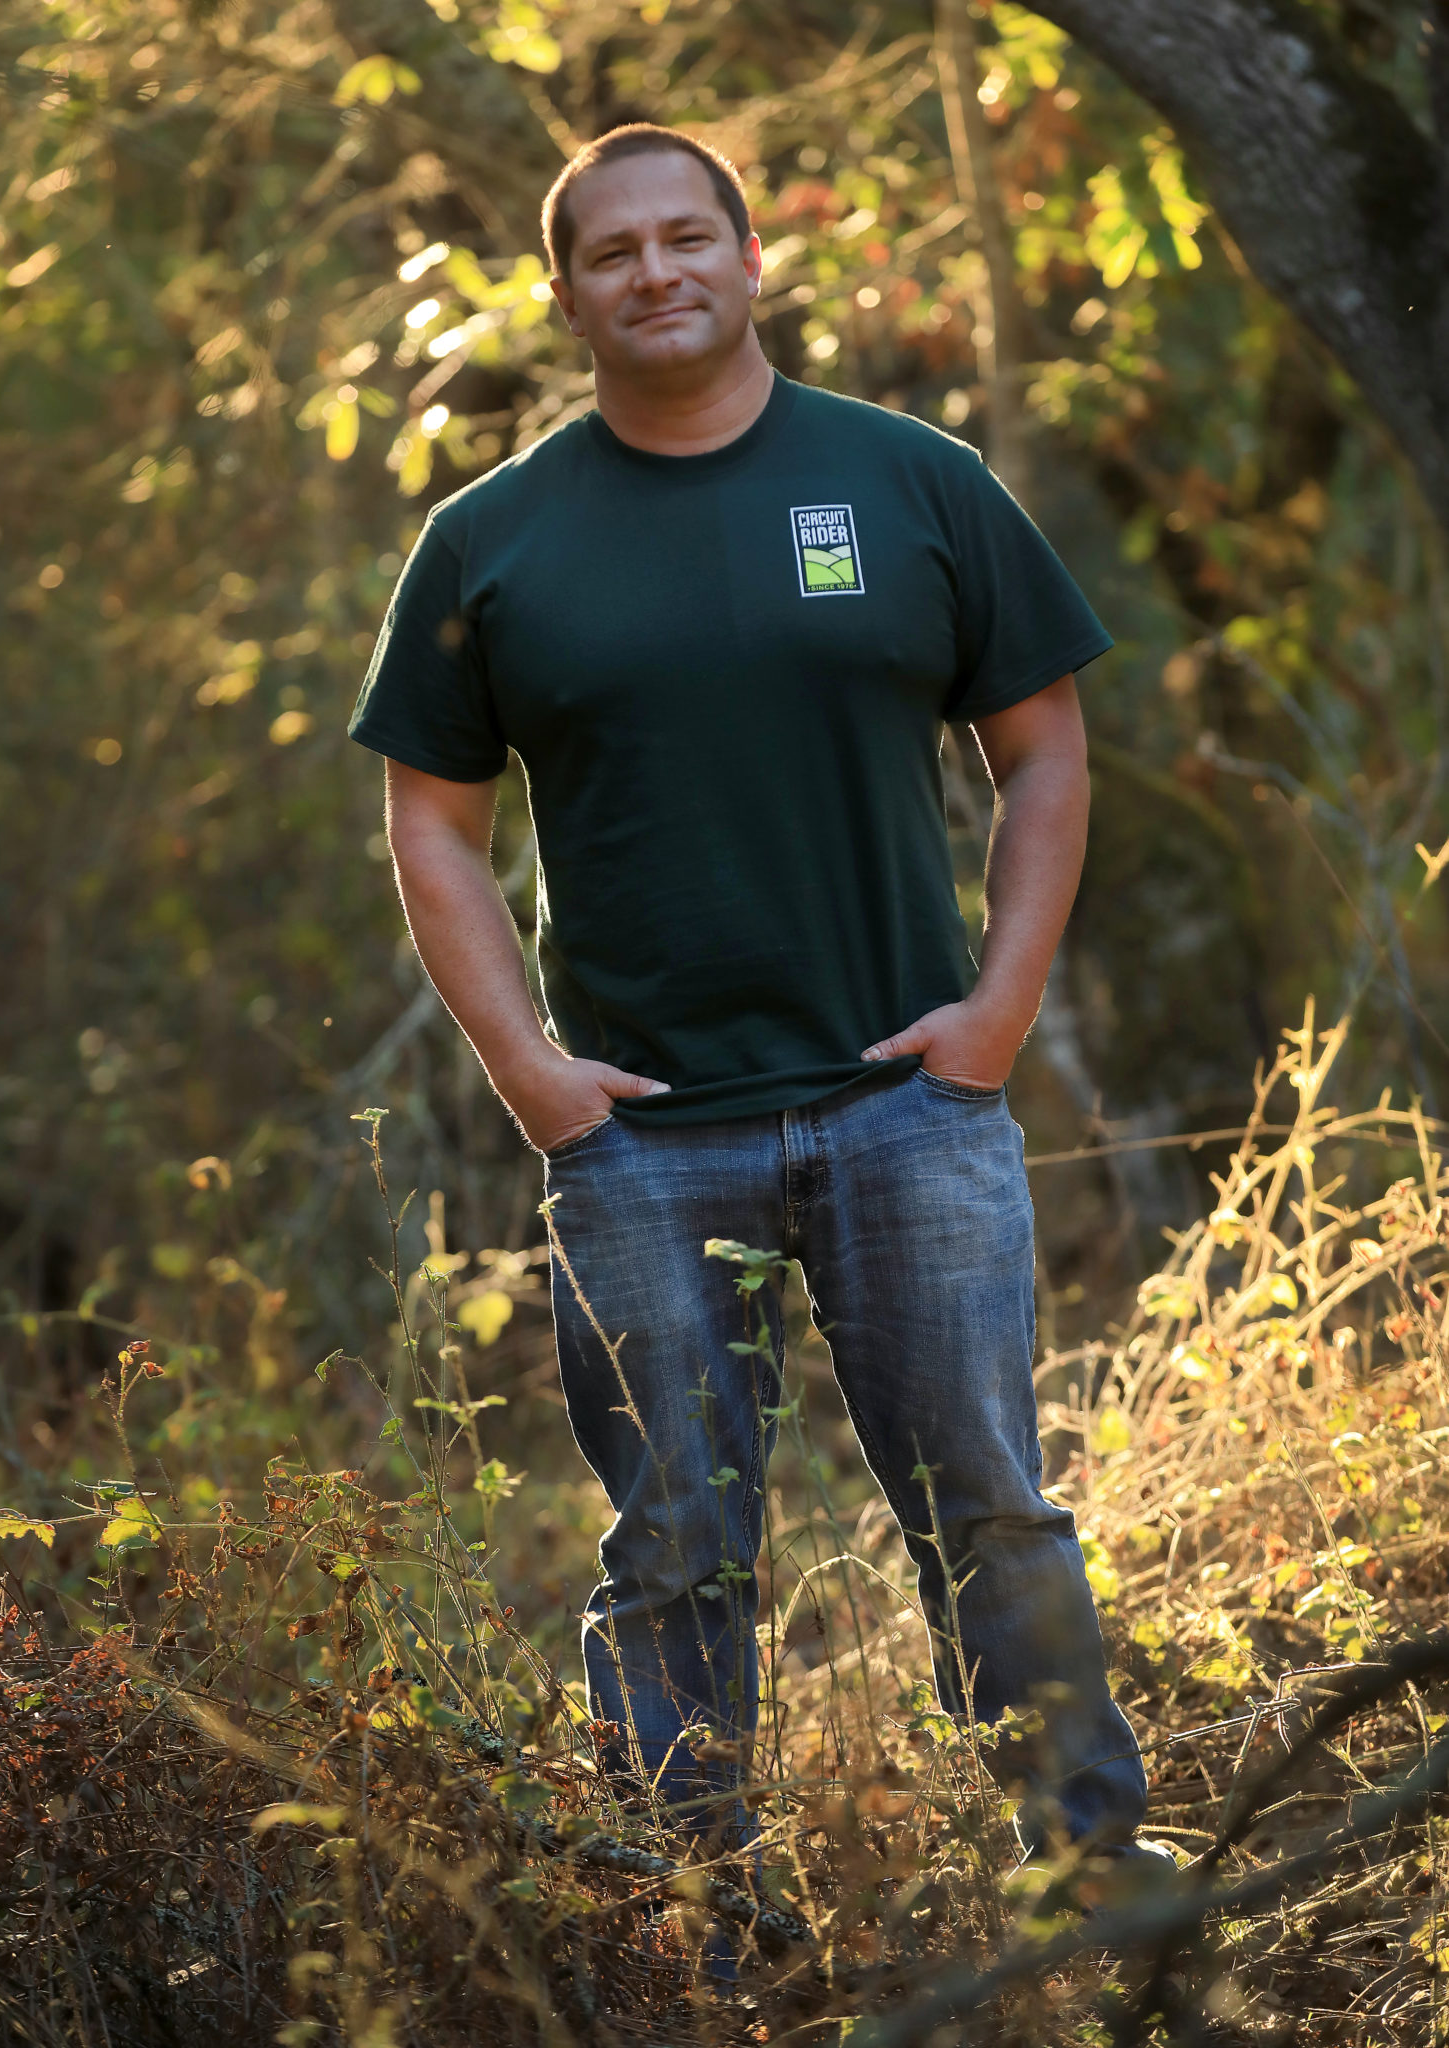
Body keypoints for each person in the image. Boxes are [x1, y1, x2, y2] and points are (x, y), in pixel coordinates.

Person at [350, 123, 1163, 1872]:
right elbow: (428, 819)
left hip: (906, 1110)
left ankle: (1089, 1883)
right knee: (671, 1546)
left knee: (993, 1519)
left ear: (746, 255)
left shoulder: (911, 481)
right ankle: (693, 1918)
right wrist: (535, 1079)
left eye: (684, 238)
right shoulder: (490, 539)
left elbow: (1043, 754)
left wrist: (994, 1023)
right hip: (640, 1147)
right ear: (565, 293)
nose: (655, 273)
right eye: (612, 253)